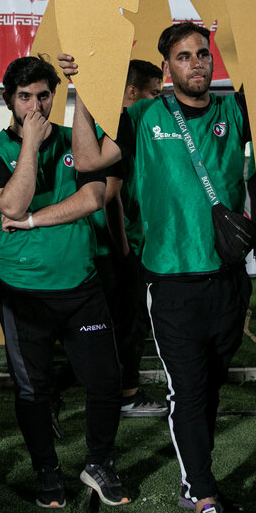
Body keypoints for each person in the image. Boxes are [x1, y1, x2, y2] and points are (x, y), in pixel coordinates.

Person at [64, 23, 255, 513]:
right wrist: (79, 95)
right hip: (170, 282)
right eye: (183, 56)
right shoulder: (143, 118)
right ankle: (205, 501)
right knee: (188, 391)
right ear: (166, 67)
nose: (196, 63)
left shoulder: (233, 112)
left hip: (228, 278)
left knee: (210, 385)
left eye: (202, 53)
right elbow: (86, 161)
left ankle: (195, 480)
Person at [0, 56, 130, 510]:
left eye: (44, 96)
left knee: (104, 381)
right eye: (25, 98)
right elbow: (13, 206)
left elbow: (93, 197)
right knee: (33, 389)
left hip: (81, 286)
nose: (36, 106)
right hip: (23, 292)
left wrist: (36, 221)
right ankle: (46, 469)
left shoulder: (76, 143)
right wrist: (31, 147)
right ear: (9, 101)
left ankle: (99, 462)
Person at [109, 59, 171, 417]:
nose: (160, 101)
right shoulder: (124, 127)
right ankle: (127, 393)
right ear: (132, 93)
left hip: (135, 241)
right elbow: (111, 195)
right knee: (128, 320)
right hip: (125, 244)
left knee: (130, 320)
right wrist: (124, 247)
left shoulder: (140, 127)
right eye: (154, 94)